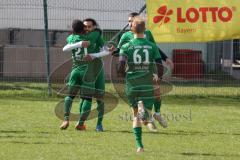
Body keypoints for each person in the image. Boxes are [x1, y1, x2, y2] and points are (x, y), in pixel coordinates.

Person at [114, 12, 173, 131]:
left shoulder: (147, 33)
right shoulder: (125, 36)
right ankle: (146, 119)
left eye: (131, 21)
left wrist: (165, 58)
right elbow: (119, 51)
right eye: (128, 21)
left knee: (156, 93)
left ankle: (156, 113)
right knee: (140, 100)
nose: (129, 23)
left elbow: (154, 48)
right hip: (134, 71)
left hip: (149, 69)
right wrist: (113, 50)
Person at [117, 16, 163, 152]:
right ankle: (144, 110)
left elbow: (120, 67)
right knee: (145, 116)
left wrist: (125, 75)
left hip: (132, 84)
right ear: (145, 29)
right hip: (147, 84)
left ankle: (139, 145)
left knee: (135, 115)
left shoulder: (126, 46)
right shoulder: (152, 46)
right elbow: (160, 66)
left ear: (132, 29)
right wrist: (157, 76)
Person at [60, 19, 111, 131]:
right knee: (86, 99)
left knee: (97, 98)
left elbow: (106, 51)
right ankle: (81, 123)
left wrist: (93, 55)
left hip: (93, 69)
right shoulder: (93, 36)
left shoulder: (73, 37)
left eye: (89, 27)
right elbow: (107, 51)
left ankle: (98, 124)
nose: (87, 29)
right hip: (89, 71)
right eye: (85, 26)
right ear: (82, 28)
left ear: (94, 27)